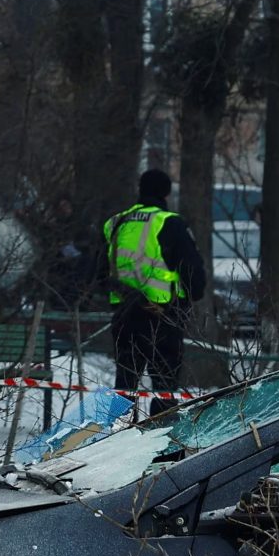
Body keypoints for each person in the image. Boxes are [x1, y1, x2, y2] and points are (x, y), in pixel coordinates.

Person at [102, 168, 210, 403]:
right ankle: (158, 435)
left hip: (124, 314)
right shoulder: (169, 223)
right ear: (166, 193)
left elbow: (98, 272)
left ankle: (116, 434)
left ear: (140, 190)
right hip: (163, 315)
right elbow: (192, 270)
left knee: (125, 386)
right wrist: (194, 294)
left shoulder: (116, 223)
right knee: (165, 385)